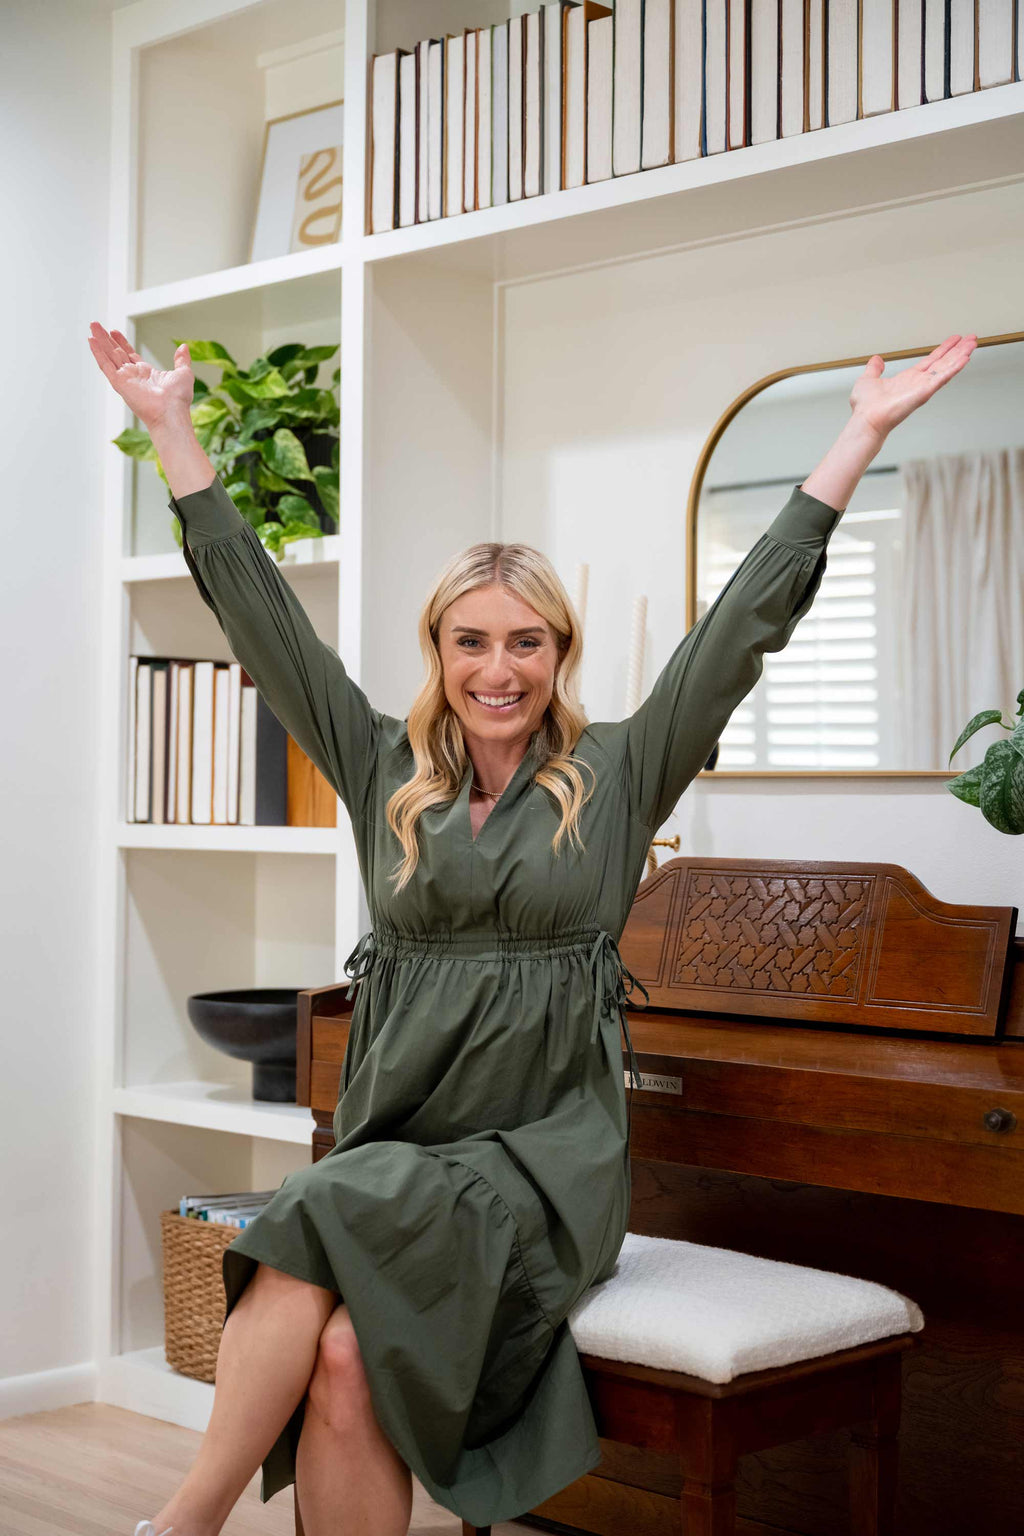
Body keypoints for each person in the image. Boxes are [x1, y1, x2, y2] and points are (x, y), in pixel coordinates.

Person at [88, 321, 976, 1536]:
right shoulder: (380, 766)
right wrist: (171, 432)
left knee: (306, 1214)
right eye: (471, 641)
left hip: (544, 1167)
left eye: (525, 641)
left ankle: (184, 1521)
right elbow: (262, 623)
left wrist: (859, 434)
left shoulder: (620, 771)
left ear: (559, 652)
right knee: (342, 1356)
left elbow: (742, 627)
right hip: (402, 1153)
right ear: (438, 651)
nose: (496, 669)